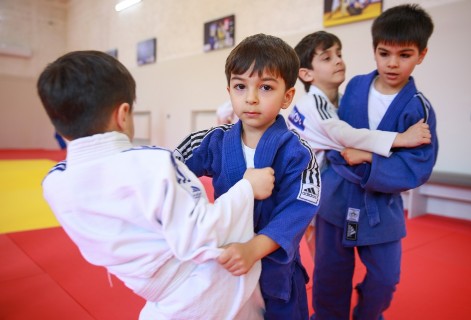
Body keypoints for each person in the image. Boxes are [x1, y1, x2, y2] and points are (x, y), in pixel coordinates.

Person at [37, 50, 277, 320]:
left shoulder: (55, 184)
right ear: (123, 114)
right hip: (208, 288)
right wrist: (246, 188)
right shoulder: (153, 164)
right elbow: (203, 232)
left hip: (157, 295)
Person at [175, 33, 321, 319]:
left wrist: (255, 248)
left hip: (275, 270)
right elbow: (169, 170)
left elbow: (299, 209)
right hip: (226, 266)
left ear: (287, 97)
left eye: (266, 87)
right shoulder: (211, 141)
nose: (251, 98)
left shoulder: (298, 152)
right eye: (240, 86)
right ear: (229, 90)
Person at [310, 4, 438, 320]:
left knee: (385, 279)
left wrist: (367, 155)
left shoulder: (418, 108)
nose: (392, 63)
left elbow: (418, 165)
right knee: (329, 272)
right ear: (374, 51)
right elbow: (332, 131)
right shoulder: (353, 87)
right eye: (384, 53)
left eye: (404, 55)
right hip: (337, 194)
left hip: (379, 206)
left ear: (421, 54)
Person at [287, 31, 432, 255]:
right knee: (310, 252)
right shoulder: (313, 103)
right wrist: (400, 138)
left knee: (320, 249)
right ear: (306, 74)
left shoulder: (340, 100)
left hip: (319, 185)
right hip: (301, 187)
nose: (338, 60)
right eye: (327, 58)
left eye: (339, 54)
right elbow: (345, 135)